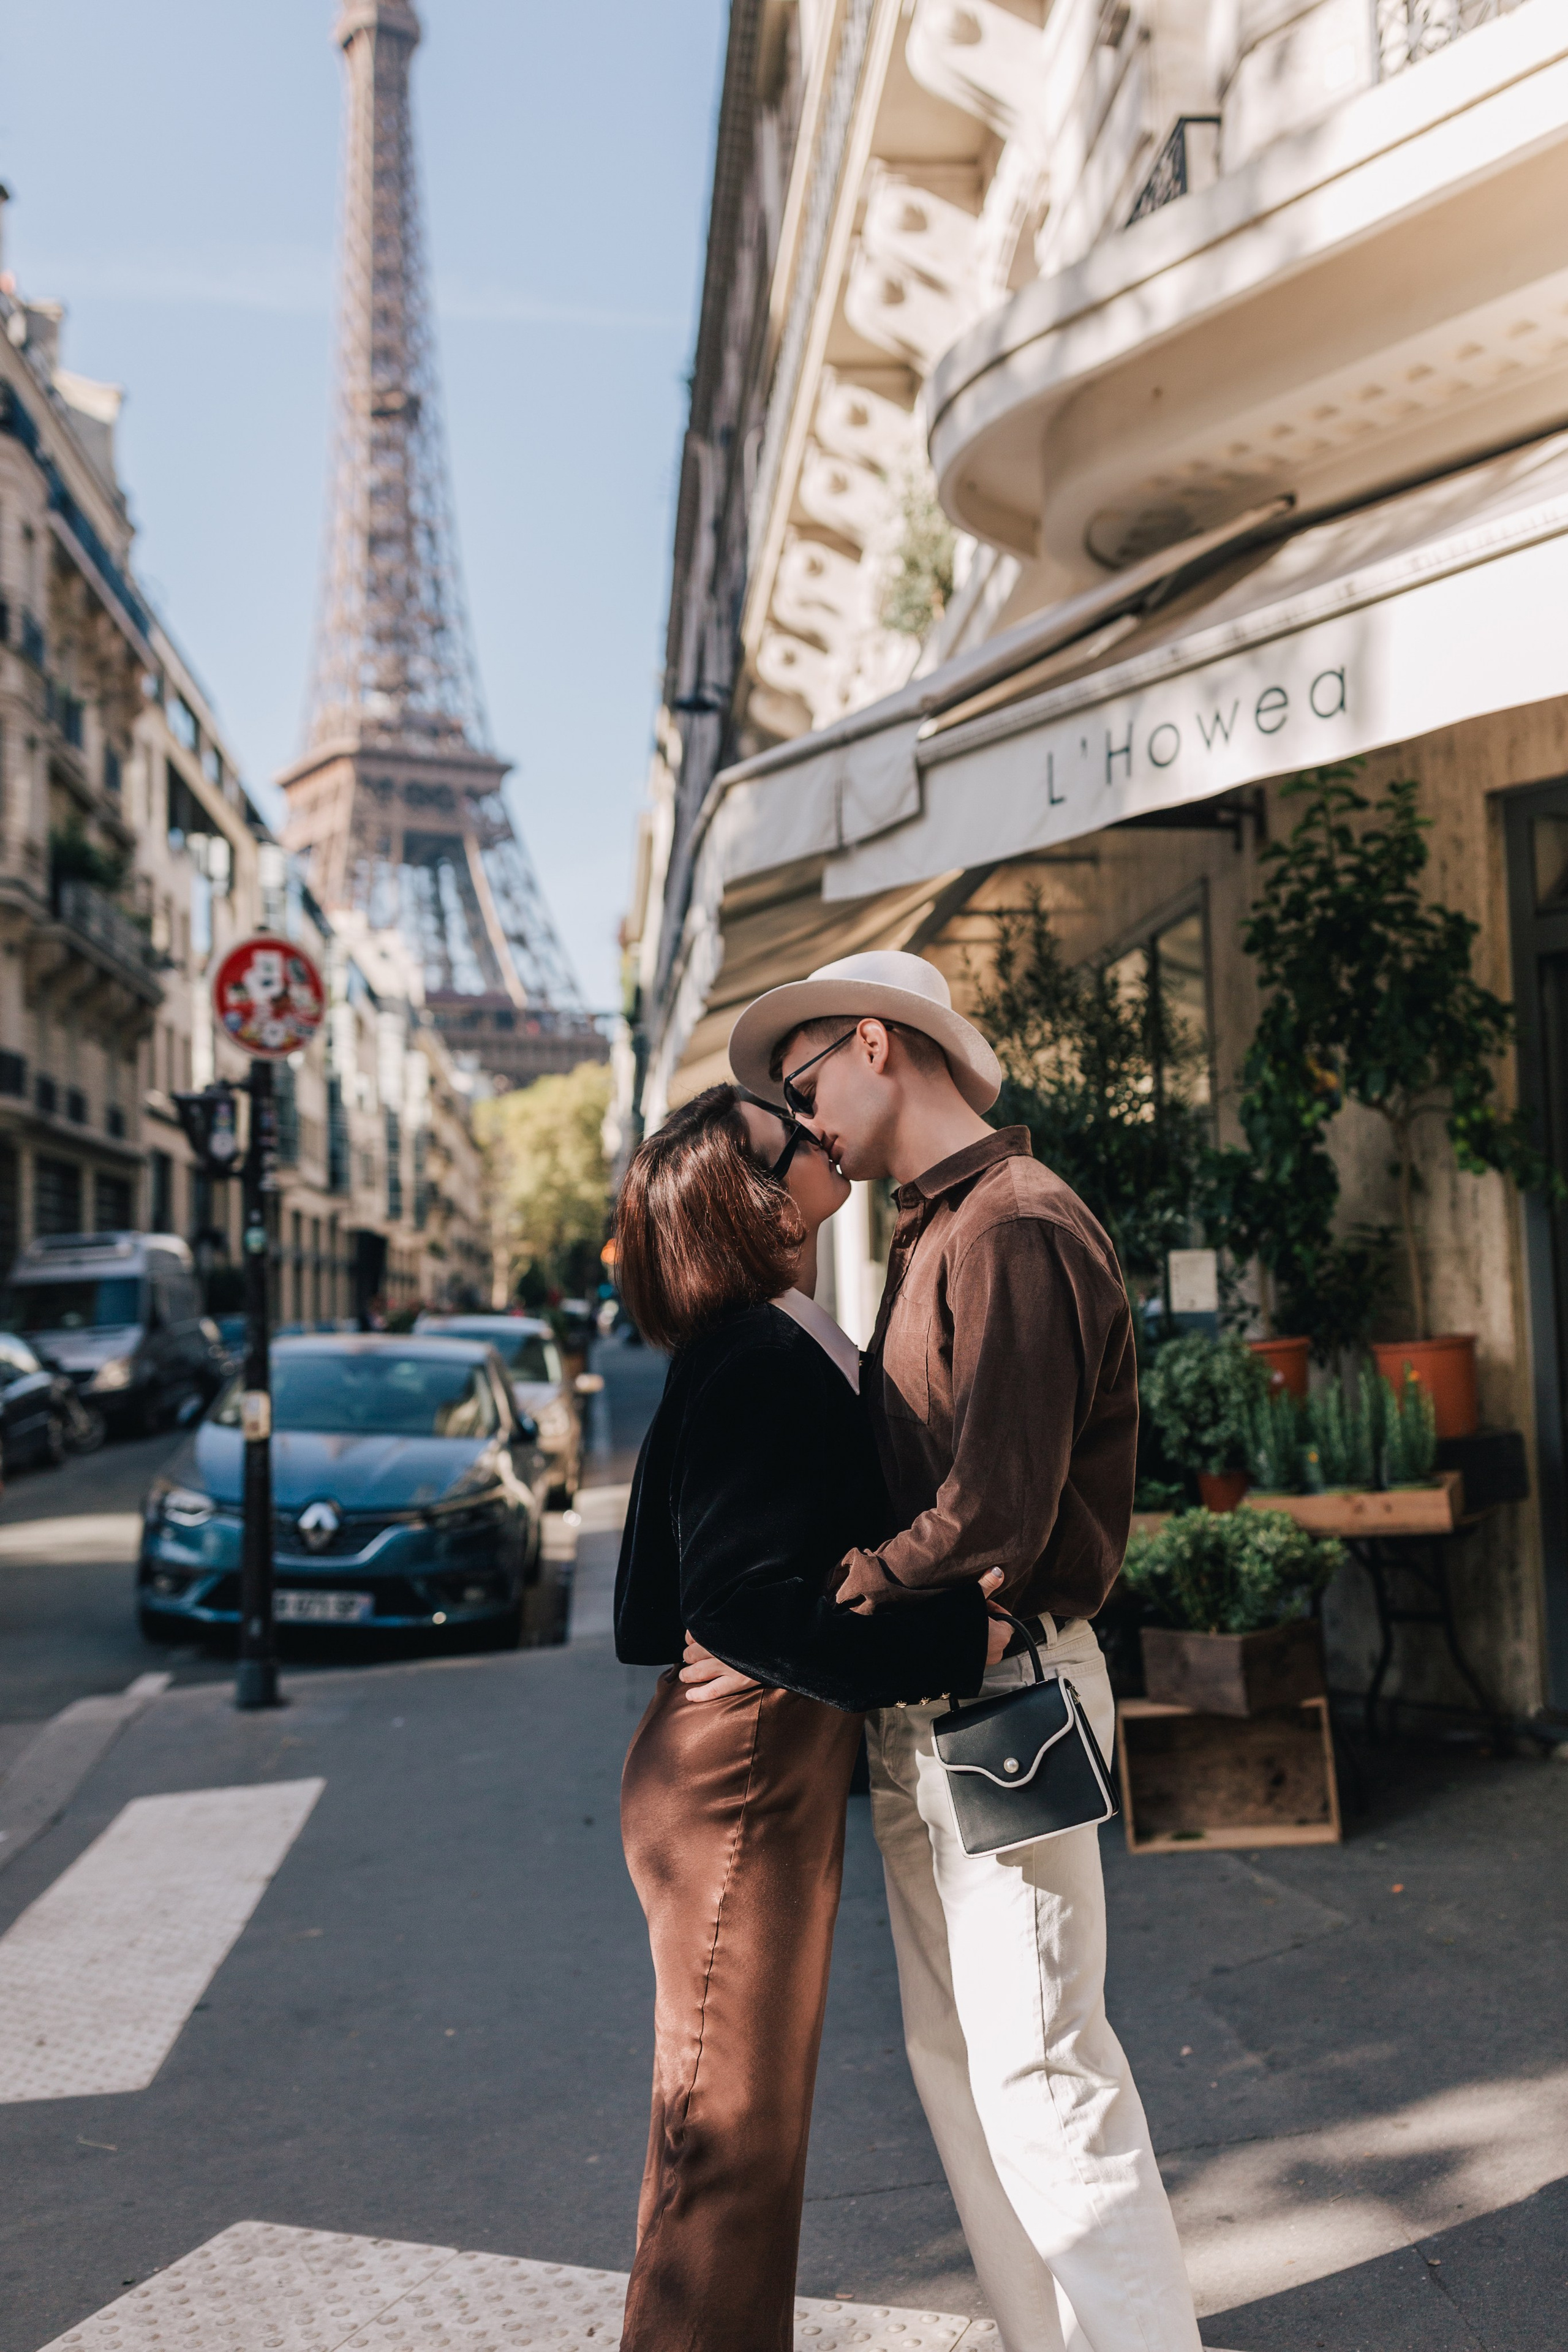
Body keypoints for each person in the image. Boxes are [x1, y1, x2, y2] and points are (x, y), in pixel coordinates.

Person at [706, 949, 1204, 2352]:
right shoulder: (940, 1227)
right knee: (959, 2058)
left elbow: (995, 1504)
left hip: (1008, 1694)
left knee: (1042, 2067)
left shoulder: (1012, 1226)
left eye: (805, 1088)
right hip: (947, 1692)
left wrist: (846, 1588)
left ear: (874, 1044)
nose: (804, 1125)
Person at [611, 1082, 1008, 2352]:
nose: (814, 1130)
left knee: (737, 2115)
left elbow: (645, 1605)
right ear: (749, 1192)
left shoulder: (751, 1337)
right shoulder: (755, 1352)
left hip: (734, 1759)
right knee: (722, 2129)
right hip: (738, 1768)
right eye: (787, 1133)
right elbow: (731, 1600)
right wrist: (958, 1638)